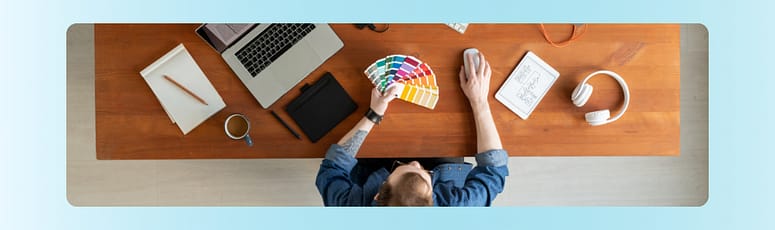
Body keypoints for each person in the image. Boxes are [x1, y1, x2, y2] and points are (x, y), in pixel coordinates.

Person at [315, 52, 508, 206]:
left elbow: (332, 168)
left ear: (377, 194)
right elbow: (494, 171)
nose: (415, 162)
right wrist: (479, 101)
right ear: (432, 200)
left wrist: (373, 114)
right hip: (443, 167)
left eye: (408, 168)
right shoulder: (456, 207)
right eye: (422, 174)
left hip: (372, 167)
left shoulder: (351, 209)